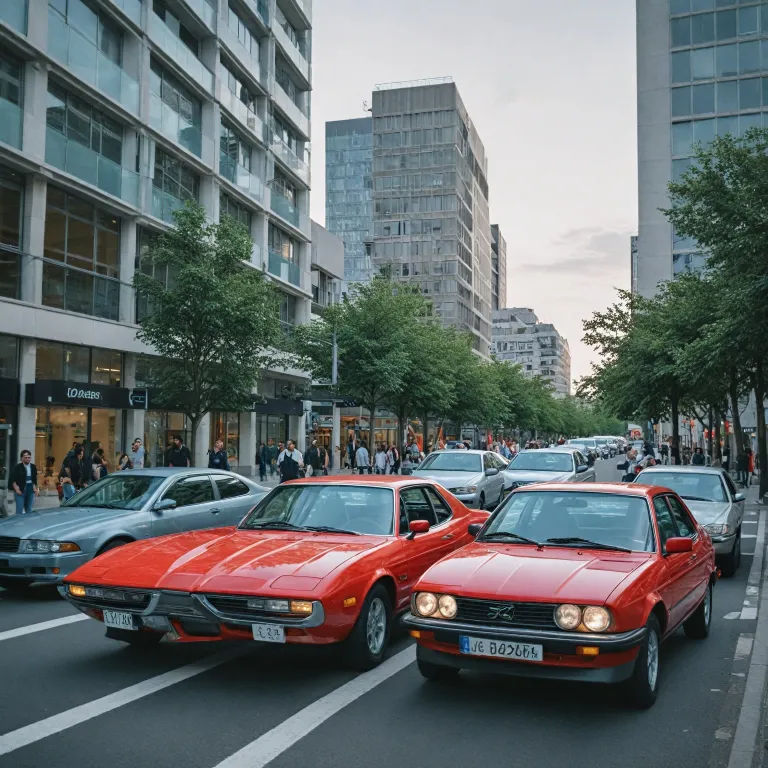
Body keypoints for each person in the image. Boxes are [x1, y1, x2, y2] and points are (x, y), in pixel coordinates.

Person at [9, 449, 38, 515]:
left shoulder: (33, 467)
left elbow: (34, 479)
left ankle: (28, 523)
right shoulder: (17, 467)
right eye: (25, 457)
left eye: (29, 457)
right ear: (22, 458)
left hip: (30, 488)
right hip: (21, 488)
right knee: (19, 509)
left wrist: (36, 489)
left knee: (29, 509)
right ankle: (18, 523)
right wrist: (16, 489)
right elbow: (12, 479)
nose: (27, 459)